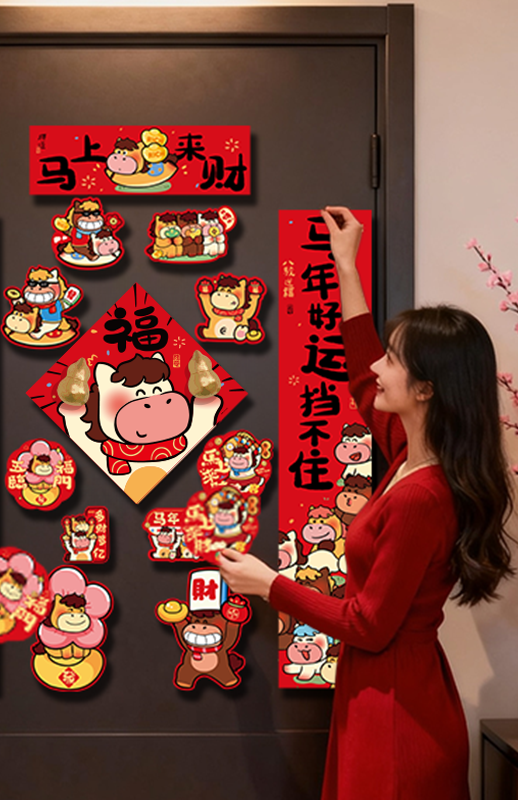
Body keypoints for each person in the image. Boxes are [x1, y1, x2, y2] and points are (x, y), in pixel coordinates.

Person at [218, 206, 514, 800]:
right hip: (389, 691)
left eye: (393, 360)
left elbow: (368, 626)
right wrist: (345, 267)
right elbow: (360, 376)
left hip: (397, 710)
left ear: (425, 389)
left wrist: (269, 585)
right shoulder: (410, 455)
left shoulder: (423, 496)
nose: (379, 366)